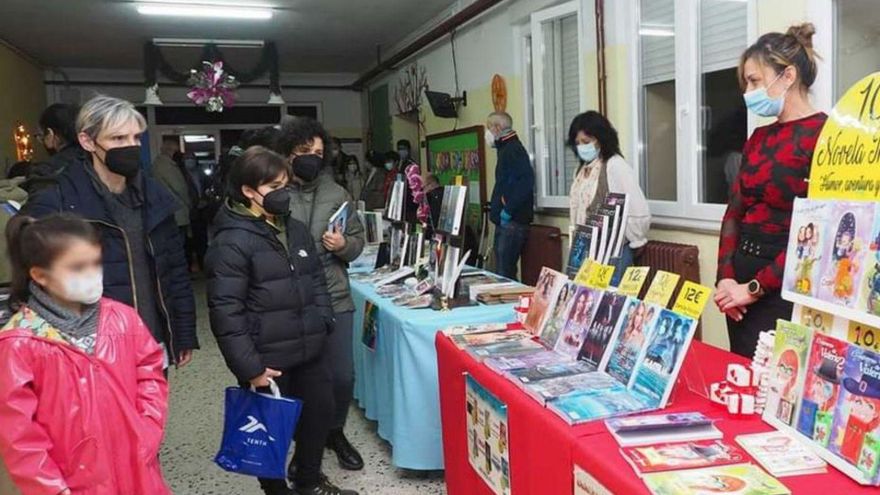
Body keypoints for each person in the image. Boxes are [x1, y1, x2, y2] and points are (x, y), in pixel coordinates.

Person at [206, 146, 357, 495]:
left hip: (310, 347)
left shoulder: (296, 229)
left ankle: (309, 480)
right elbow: (226, 311)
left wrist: (323, 321)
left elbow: (316, 279)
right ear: (248, 191)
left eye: (285, 184)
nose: (283, 193)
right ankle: (275, 490)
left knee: (318, 418)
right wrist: (250, 368)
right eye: (273, 186)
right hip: (268, 359)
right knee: (270, 432)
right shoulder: (232, 241)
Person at [23, 94, 198, 368]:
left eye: (135, 138)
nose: (130, 146)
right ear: (87, 141)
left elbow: (175, 270)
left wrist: (183, 333)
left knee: (151, 411)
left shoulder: (155, 197)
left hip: (151, 342)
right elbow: (37, 284)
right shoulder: (56, 202)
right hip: (89, 350)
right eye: (118, 139)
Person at [0, 213, 170, 494]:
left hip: (137, 469)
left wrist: (148, 430)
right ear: (39, 275)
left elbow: (149, 372)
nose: (92, 275)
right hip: (73, 482)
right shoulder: (20, 343)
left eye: (96, 263)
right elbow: (19, 433)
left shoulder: (123, 318)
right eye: (77, 268)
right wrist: (51, 487)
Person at [714, 23, 826, 358]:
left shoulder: (825, 136)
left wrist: (754, 288)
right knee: (743, 382)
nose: (748, 91)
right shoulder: (758, 138)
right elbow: (735, 211)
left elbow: (817, 231)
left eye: (754, 81)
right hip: (738, 290)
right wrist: (725, 280)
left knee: (777, 388)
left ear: (787, 76)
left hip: (786, 285)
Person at [276, 117, 366, 472]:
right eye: (303, 152)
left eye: (317, 152)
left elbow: (358, 244)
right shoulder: (275, 193)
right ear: (287, 154)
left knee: (342, 376)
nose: (311, 158)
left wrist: (345, 245)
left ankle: (335, 431)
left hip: (335, 295)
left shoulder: (337, 194)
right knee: (301, 379)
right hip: (291, 301)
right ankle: (305, 444)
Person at [567, 111, 651, 285]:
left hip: (611, 252)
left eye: (586, 142)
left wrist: (636, 239)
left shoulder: (615, 166)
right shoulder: (583, 169)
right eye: (577, 143)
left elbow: (635, 207)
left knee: (607, 304)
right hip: (585, 249)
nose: (582, 147)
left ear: (601, 138)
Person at [486, 111, 534, 280]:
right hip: (507, 221)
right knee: (501, 270)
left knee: (504, 273)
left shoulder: (512, 149)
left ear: (497, 128)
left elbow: (526, 182)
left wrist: (508, 209)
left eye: (489, 127)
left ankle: (508, 305)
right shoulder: (505, 148)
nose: (488, 132)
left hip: (512, 222)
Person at [152, 136, 195, 266]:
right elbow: (179, 188)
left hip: (169, 211)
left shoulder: (158, 164)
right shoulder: (166, 166)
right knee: (177, 246)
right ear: (171, 150)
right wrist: (189, 203)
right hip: (176, 211)